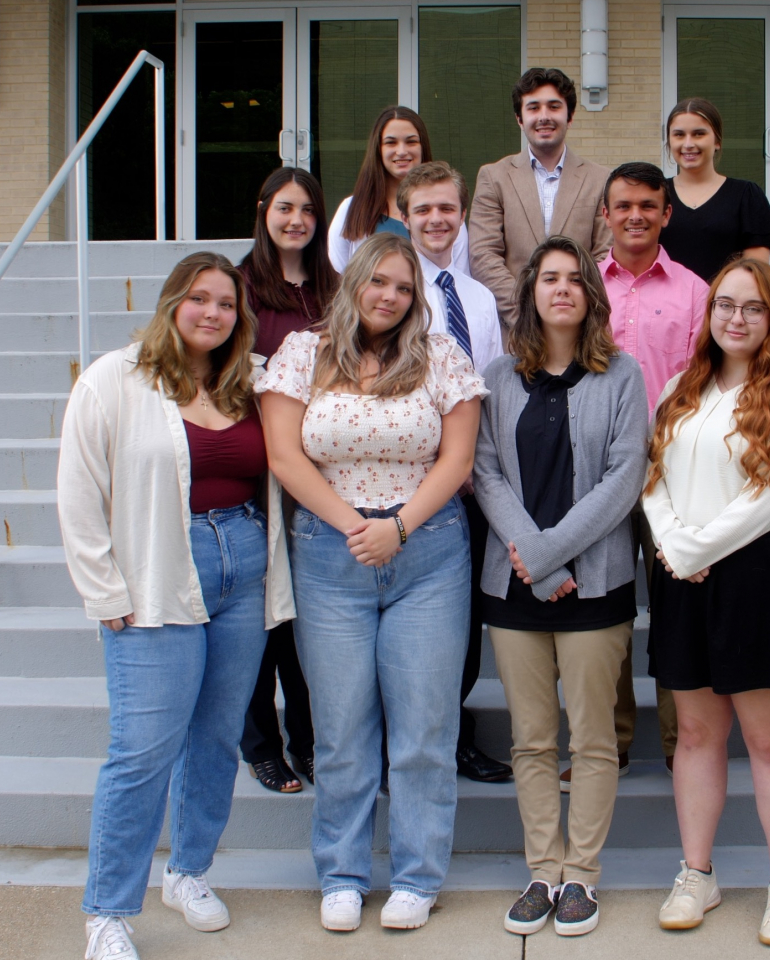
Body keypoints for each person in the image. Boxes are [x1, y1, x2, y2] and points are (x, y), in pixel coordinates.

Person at [58, 252, 294, 960]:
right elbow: (78, 491)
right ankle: (107, 912)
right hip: (157, 574)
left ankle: (188, 872)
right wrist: (103, 589)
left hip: (242, 571)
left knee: (217, 738)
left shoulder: (251, 381)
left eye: (226, 303)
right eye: (199, 298)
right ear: (171, 304)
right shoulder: (115, 379)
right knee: (142, 751)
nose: (212, 313)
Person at [256, 233, 486, 933]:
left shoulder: (441, 357)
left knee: (423, 728)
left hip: (428, 555)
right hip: (330, 556)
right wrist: (356, 526)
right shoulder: (303, 353)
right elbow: (284, 456)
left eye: (404, 288)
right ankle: (342, 874)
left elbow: (458, 459)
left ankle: (417, 876)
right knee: (341, 729)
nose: (390, 296)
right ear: (354, 280)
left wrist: (399, 527)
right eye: (379, 281)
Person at [643, 257, 770, 948]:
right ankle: (697, 873)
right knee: (697, 735)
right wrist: (674, 544)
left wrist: (697, 548)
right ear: (709, 311)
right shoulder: (682, 386)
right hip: (686, 576)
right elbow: (654, 476)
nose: (736, 318)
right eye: (725, 304)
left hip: (763, 576)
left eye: (753, 307)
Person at [473, 236, 649, 938]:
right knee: (532, 739)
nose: (563, 289)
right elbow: (485, 473)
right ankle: (543, 871)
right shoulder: (497, 376)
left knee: (594, 739)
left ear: (591, 295)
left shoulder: (623, 375)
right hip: (515, 588)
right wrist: (537, 561)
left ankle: (582, 876)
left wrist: (549, 553)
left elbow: (624, 478)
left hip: (596, 588)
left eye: (576, 278)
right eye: (549, 278)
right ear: (531, 292)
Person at [397, 160, 513, 783]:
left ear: (462, 215)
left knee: (463, 621)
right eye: (423, 210)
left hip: (471, 483)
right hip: (411, 485)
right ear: (404, 217)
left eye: (447, 208)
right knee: (417, 628)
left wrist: (478, 465)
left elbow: (488, 385)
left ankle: (453, 737)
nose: (436, 219)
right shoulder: (391, 290)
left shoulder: (477, 297)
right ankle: (404, 746)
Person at [596, 160, 709, 787]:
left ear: (667, 213)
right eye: (624, 205)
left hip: (674, 474)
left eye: (648, 205)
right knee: (607, 610)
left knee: (675, 609)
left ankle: (679, 744)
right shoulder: (582, 285)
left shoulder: (695, 292)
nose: (635, 215)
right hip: (598, 476)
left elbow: (704, 384)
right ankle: (607, 744)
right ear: (606, 214)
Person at [236, 167, 339, 794]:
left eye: (307, 209)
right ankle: (260, 744)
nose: (296, 220)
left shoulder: (332, 286)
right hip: (260, 463)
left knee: (306, 615)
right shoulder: (241, 286)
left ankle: (307, 738)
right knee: (264, 612)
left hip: (320, 465)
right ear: (264, 211)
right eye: (285, 208)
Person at [470, 67, 612, 326]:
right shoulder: (494, 177)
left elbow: (605, 255)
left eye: (554, 107)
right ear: (519, 118)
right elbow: (483, 255)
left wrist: (572, 311)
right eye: (533, 108)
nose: (544, 116)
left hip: (579, 328)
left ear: (570, 116)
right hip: (515, 330)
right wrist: (526, 313)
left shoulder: (600, 179)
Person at [327, 106, 471, 277]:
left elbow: (460, 276)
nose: (402, 151)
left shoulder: (447, 213)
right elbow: (338, 274)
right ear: (378, 149)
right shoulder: (351, 209)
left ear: (423, 147)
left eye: (411, 142)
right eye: (391, 142)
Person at [659, 98, 770, 282]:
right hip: (665, 300)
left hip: (726, 299)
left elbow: (756, 272)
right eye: (679, 135)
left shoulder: (746, 195)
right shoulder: (656, 194)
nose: (688, 143)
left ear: (717, 140)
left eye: (699, 134)